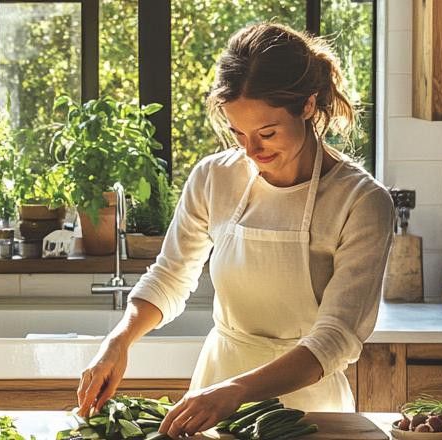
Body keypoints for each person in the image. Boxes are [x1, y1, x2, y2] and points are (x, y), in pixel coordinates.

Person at [76, 22, 394, 438]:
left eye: (267, 133)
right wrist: (118, 342)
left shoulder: (361, 201)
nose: (251, 150)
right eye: (238, 132)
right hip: (214, 393)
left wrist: (237, 392)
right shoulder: (214, 177)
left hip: (305, 409)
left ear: (308, 106)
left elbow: (335, 339)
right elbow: (171, 276)